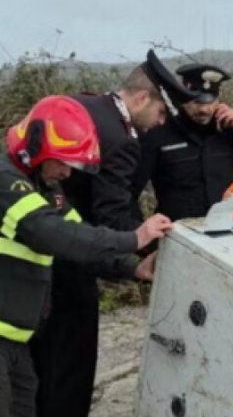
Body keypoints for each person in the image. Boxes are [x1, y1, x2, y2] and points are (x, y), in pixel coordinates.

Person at [29, 49, 200, 417]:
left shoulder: (84, 105)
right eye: (159, 113)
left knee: (37, 363)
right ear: (141, 98)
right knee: (72, 362)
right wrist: (155, 244)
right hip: (72, 262)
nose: (159, 124)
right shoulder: (121, 140)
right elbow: (112, 214)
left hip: (35, 247)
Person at [1, 96, 170, 417]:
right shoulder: (5, 182)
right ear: (37, 146)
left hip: (16, 343)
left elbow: (83, 244)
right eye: (63, 161)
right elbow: (52, 233)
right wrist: (134, 238)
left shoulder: (48, 193)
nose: (67, 172)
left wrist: (132, 268)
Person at [131, 62, 233, 222]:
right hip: (178, 235)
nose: (204, 110)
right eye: (197, 102)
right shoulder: (159, 132)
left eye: (210, 102)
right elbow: (130, 191)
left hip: (223, 228)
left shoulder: (228, 131)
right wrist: (143, 238)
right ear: (183, 98)